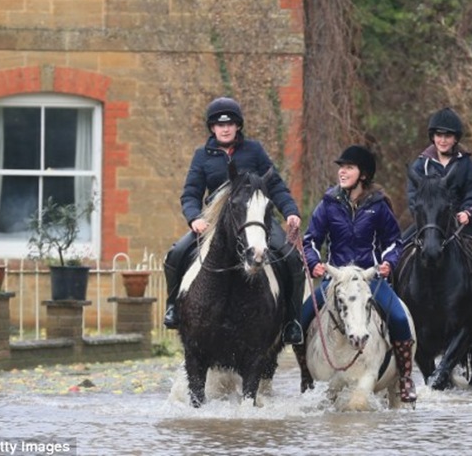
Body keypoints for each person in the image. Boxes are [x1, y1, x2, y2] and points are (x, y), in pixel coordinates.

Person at [162, 96, 305, 345]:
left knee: (292, 259)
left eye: (230, 124)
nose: (224, 128)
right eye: (219, 124)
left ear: (238, 126)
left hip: (256, 220)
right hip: (216, 223)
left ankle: (292, 322)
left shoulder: (255, 150)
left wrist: (290, 211)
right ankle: (173, 307)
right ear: (212, 128)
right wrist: (194, 218)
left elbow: (276, 186)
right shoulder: (202, 156)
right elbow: (190, 194)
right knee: (175, 255)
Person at [294, 145, 417, 403]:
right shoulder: (328, 203)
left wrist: (388, 263)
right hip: (335, 280)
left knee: (399, 318)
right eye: (341, 167)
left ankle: (405, 379)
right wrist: (315, 262)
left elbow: (394, 242)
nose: (342, 172)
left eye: (348, 167)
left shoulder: (379, 206)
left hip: (369, 279)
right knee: (300, 321)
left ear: (363, 174)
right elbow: (310, 240)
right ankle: (307, 376)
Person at [407, 107, 472, 312]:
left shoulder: (466, 164)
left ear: (455, 138)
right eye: (439, 135)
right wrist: (421, 215)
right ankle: (391, 286)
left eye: (448, 136)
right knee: (401, 244)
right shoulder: (421, 164)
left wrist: (468, 212)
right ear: (433, 137)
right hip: (430, 221)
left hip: (458, 221)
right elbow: (413, 195)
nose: (443, 140)